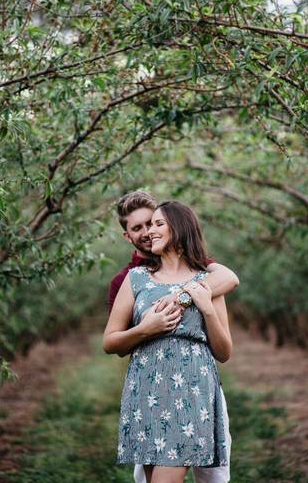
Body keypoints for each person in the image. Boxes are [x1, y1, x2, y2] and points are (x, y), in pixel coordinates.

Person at [104, 199, 235, 483]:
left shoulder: (206, 280)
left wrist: (205, 307)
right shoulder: (134, 278)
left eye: (156, 224)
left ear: (179, 228)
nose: (149, 231)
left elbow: (224, 352)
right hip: (146, 392)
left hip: (191, 391)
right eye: (141, 227)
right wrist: (146, 329)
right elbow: (109, 342)